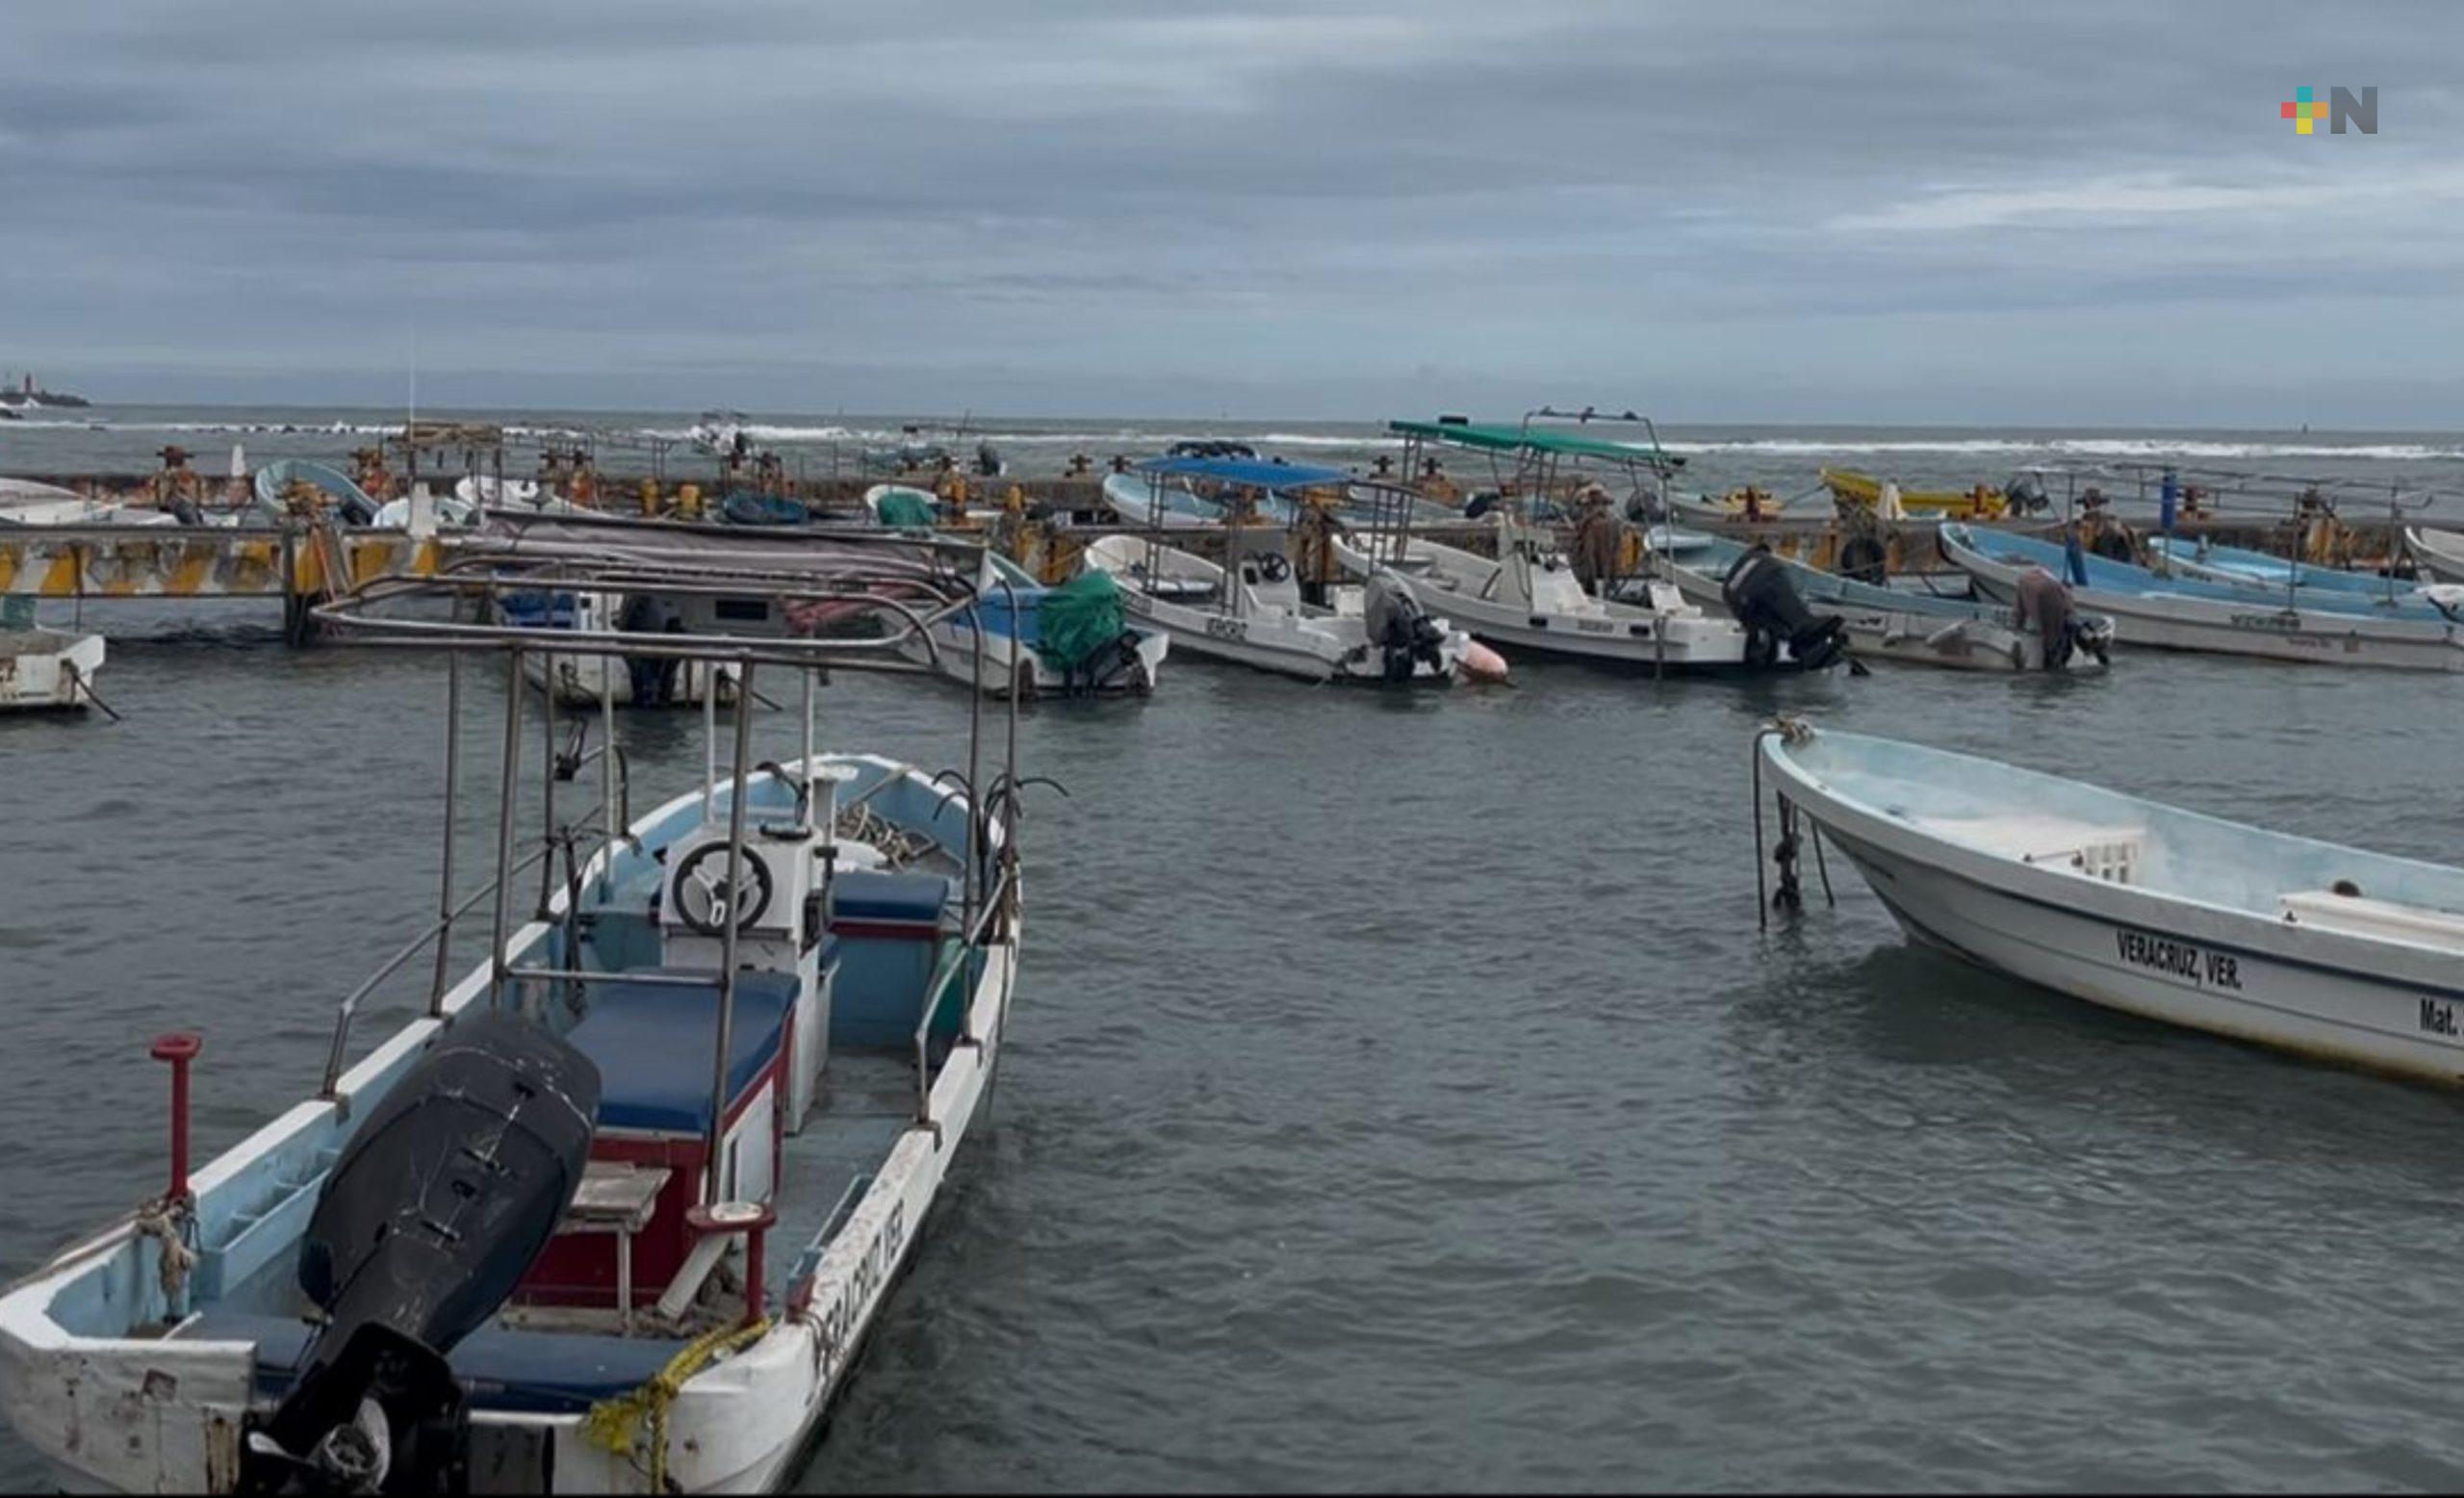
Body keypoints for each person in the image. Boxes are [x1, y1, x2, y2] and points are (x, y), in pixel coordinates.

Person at [2013, 565, 2076, 670]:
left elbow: (2020, 611)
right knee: (2054, 642)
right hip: (2054, 608)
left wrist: (2017, 627)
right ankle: (2052, 662)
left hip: (2044, 611)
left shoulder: (2024, 581)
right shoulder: (2059, 588)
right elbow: (2069, 610)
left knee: (2050, 641)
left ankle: (2049, 659)